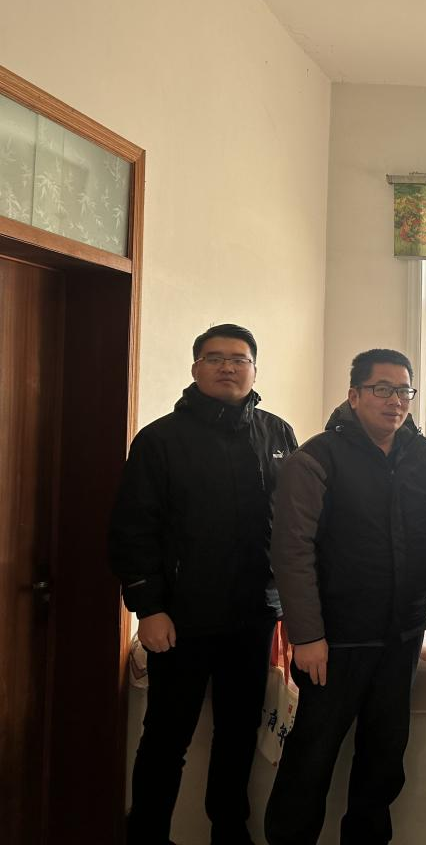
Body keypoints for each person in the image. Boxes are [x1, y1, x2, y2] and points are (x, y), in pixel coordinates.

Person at [109, 323, 297, 845]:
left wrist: (290, 604)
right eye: (214, 358)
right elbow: (133, 529)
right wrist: (148, 607)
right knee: (166, 737)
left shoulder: (278, 435)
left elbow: (295, 525)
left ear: (255, 369)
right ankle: (146, 834)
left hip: (254, 616)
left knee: (238, 734)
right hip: (180, 619)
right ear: (195, 369)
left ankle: (229, 831)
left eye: (239, 358)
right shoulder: (160, 440)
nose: (227, 367)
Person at [264, 349, 426, 845]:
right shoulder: (317, 458)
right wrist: (308, 635)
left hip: (402, 634)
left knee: (383, 760)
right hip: (335, 640)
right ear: (354, 395)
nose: (395, 401)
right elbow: (292, 551)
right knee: (311, 758)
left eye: (404, 391)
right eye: (381, 389)